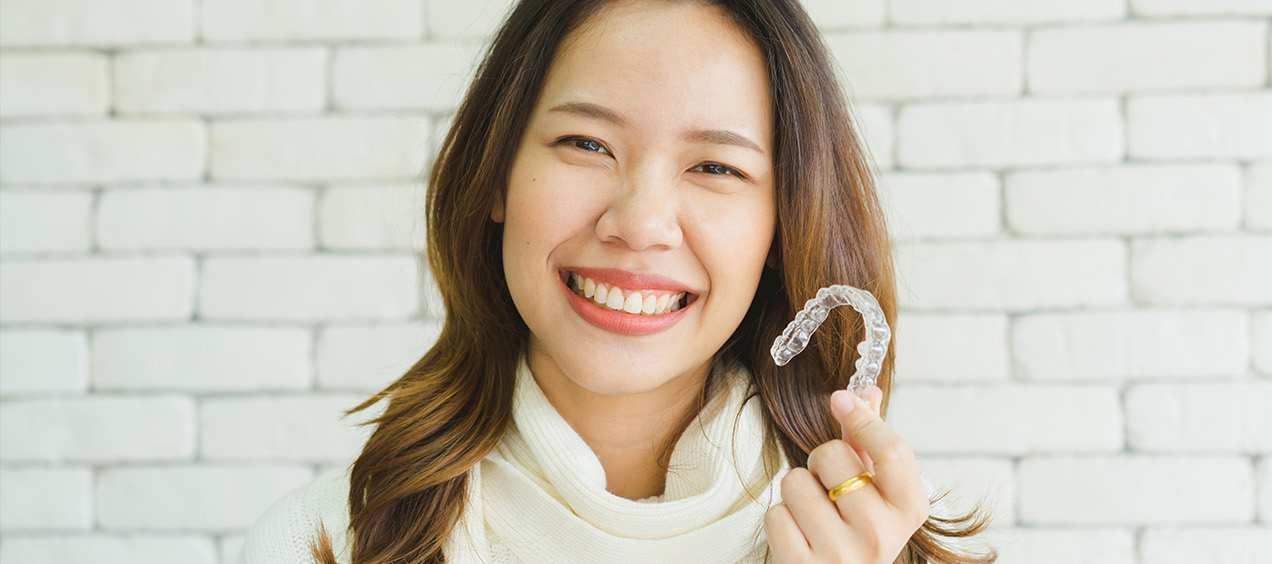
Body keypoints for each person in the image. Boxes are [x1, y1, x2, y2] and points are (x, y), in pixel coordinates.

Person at [235, 0, 994, 563]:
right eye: (587, 143)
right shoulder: (319, 541)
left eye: (716, 167)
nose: (639, 223)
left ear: (779, 228)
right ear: (496, 173)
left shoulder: (880, 549)